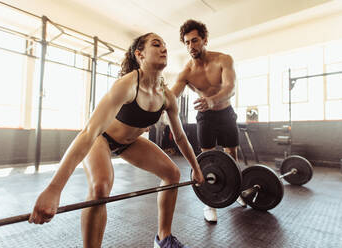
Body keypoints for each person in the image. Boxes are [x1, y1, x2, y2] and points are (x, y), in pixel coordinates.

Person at [28, 32, 204, 248]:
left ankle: (164, 238)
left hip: (129, 143)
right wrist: (54, 189)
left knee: (172, 174)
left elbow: (180, 136)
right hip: (101, 138)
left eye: (165, 45)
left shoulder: (166, 96)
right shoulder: (128, 84)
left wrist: (196, 168)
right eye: (156, 44)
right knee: (101, 186)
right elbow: (89, 133)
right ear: (139, 54)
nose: (164, 49)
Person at [171, 19, 246, 224]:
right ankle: (210, 202)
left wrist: (212, 100)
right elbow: (171, 96)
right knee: (208, 158)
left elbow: (230, 88)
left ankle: (236, 190)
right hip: (206, 117)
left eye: (194, 41)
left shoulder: (223, 60)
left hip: (225, 111)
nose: (190, 46)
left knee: (232, 154)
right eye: (186, 43)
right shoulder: (186, 72)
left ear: (204, 40)